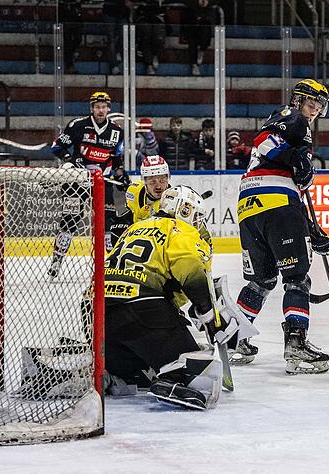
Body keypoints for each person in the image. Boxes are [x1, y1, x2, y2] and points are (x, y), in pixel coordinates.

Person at [233, 79, 329, 374]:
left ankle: (235, 337)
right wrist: (295, 157)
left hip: (249, 207)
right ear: (299, 100)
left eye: (319, 107)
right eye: (311, 103)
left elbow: (293, 183)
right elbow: (263, 141)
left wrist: (310, 228)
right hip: (277, 203)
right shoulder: (293, 117)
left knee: (262, 280)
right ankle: (296, 344)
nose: (314, 111)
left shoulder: (295, 126)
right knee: (297, 279)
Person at [104, 185, 229, 410]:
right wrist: (210, 317)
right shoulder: (180, 229)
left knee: (138, 368)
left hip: (98, 314)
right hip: (141, 309)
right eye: (196, 215)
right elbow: (191, 270)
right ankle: (173, 378)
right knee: (198, 369)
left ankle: (113, 371)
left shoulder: (135, 227)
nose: (197, 222)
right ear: (184, 210)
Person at [48, 91, 129, 278]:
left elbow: (116, 157)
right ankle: (56, 261)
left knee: (108, 222)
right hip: (77, 181)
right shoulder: (77, 125)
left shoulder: (117, 131)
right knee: (70, 220)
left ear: (109, 108)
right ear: (91, 108)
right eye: (97, 107)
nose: (100, 110)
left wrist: (120, 173)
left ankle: (110, 265)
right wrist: (69, 159)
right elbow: (56, 147)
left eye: (104, 107)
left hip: (102, 181)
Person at [182, 0, 216, 76]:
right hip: (192, 19)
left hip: (206, 19)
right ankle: (194, 65)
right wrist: (196, 3)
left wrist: (208, 3)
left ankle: (202, 50)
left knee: (205, 34)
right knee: (192, 42)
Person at [135, 1, 166, 75]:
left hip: (157, 19)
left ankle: (155, 55)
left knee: (158, 37)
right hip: (143, 18)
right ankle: (149, 65)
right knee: (146, 37)